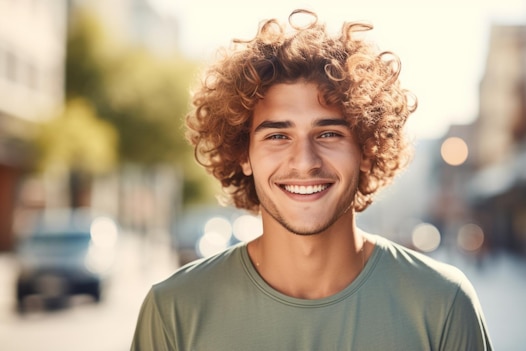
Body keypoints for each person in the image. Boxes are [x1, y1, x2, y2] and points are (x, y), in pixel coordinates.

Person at [131, 9, 492, 350]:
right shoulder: (174, 310)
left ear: (366, 150)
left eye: (329, 134)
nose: (304, 162)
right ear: (244, 155)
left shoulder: (443, 304)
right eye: (277, 136)